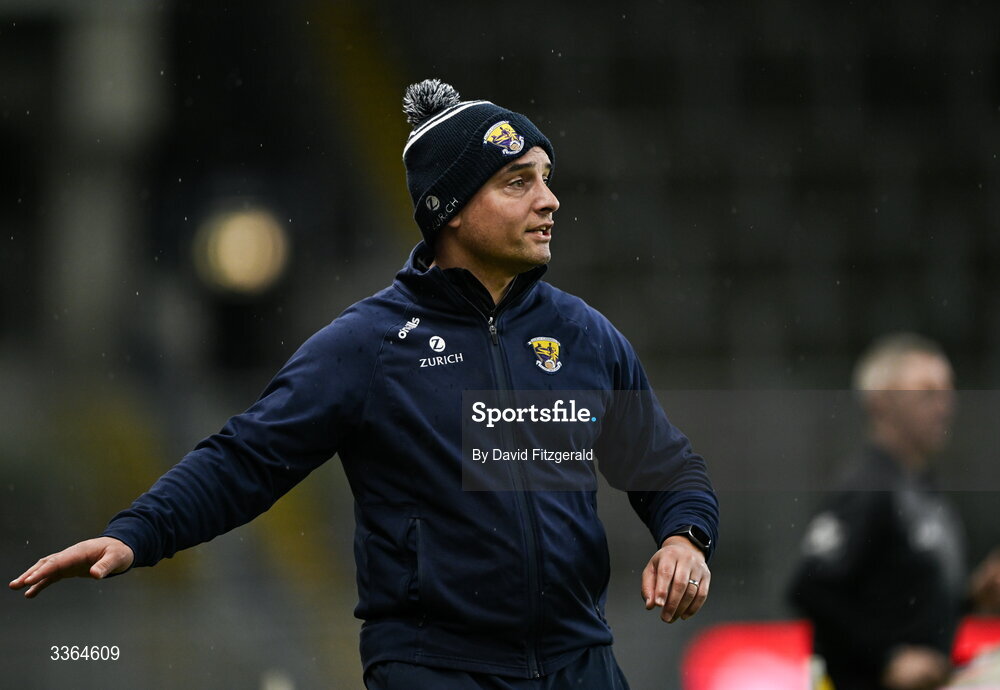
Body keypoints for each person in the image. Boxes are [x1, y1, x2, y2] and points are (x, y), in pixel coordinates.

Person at [10, 79, 718, 689]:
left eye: (545, 176)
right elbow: (245, 457)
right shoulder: (368, 346)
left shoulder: (585, 336)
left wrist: (684, 535)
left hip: (578, 661)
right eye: (518, 182)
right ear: (450, 208)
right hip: (435, 667)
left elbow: (665, 467)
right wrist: (137, 534)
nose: (549, 199)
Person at [788, 333, 1000, 690]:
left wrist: (969, 598)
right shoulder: (870, 486)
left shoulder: (921, 490)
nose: (945, 405)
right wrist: (887, 658)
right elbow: (812, 587)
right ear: (880, 403)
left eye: (947, 391)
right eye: (927, 392)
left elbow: (901, 611)